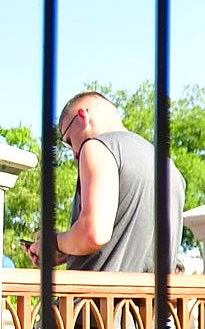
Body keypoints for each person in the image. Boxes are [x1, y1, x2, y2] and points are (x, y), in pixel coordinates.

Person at [23, 91, 185, 273]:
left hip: (97, 299)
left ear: (83, 117)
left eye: (68, 140)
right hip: (151, 300)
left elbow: (94, 234)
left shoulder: (97, 147)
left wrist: (52, 242)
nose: (74, 154)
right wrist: (67, 250)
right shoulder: (170, 168)